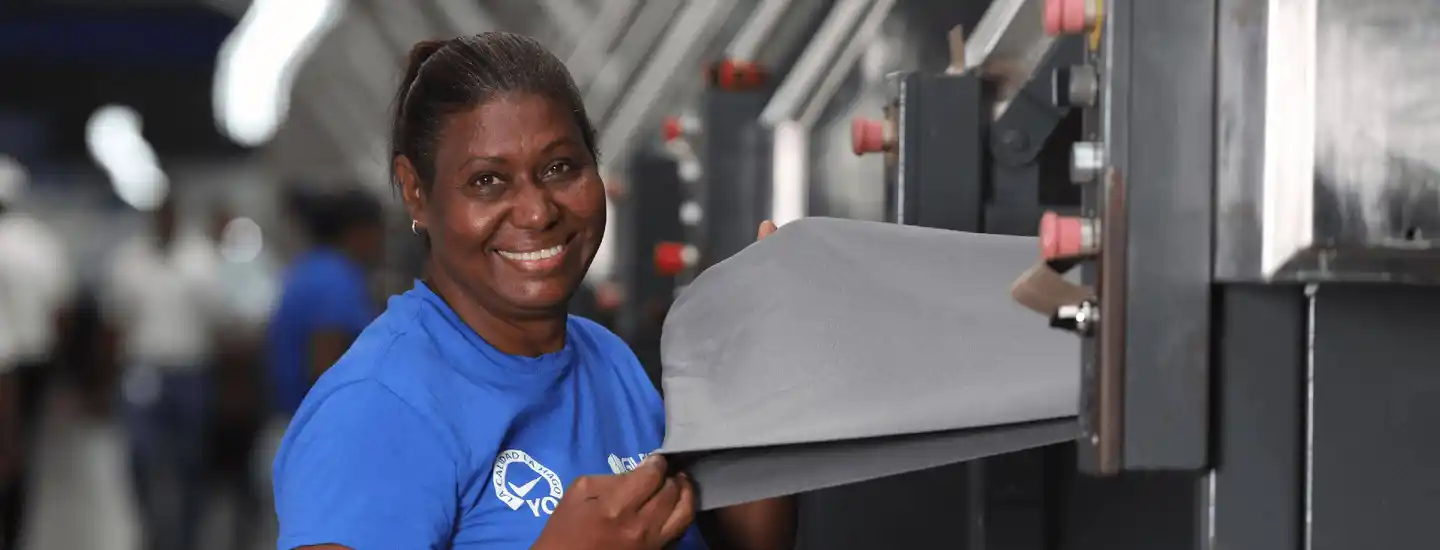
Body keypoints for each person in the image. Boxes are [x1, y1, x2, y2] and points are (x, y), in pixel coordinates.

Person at [272, 32, 796, 550]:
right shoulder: (378, 406)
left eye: (560, 168)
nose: (538, 211)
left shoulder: (605, 359)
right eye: (487, 181)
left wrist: (765, 362)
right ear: (416, 192)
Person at [102, 194, 226, 550]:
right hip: (143, 372)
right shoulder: (129, 261)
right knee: (140, 456)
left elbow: (219, 321)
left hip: (192, 371)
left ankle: (188, 535)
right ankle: (151, 531)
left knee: (191, 459)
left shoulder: (202, 259)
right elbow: (114, 323)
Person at [0, 156, 75, 550]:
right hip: (32, 363)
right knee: (20, 451)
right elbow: (60, 310)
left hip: (11, 362)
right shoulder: (41, 243)